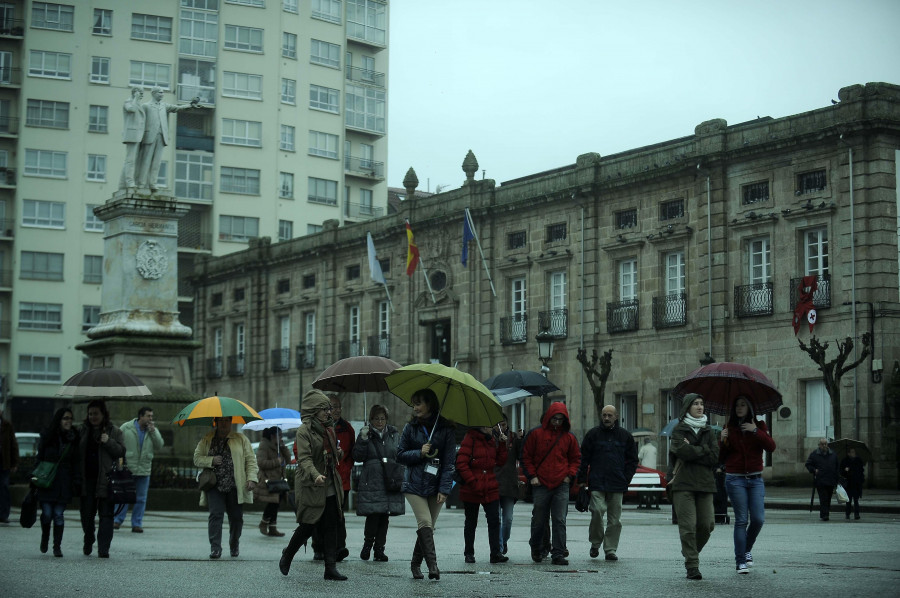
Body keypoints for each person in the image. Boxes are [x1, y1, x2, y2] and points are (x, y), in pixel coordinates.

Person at [278, 390, 347, 581]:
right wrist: (316, 475)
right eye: (324, 408)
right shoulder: (304, 431)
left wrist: (338, 453)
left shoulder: (329, 428)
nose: (328, 412)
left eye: (329, 408)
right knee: (309, 523)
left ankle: (330, 568)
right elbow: (305, 459)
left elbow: (332, 456)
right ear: (314, 411)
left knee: (332, 522)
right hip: (311, 481)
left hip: (329, 480)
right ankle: (288, 555)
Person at [395, 388, 456, 580]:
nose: (415, 407)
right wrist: (419, 453)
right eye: (413, 404)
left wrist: (444, 489)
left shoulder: (446, 429)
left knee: (427, 528)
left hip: (435, 485)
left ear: (429, 404)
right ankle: (433, 566)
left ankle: (415, 565)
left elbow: (449, 463)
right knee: (425, 523)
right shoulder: (410, 428)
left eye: (418, 403)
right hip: (413, 484)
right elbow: (399, 455)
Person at [719, 395, 776, 574]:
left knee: (758, 519)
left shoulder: (759, 426)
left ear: (750, 408)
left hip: (755, 478)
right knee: (741, 520)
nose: (739, 408)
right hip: (735, 479)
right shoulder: (729, 428)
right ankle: (740, 561)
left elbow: (771, 447)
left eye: (743, 405)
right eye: (737, 405)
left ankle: (747, 549)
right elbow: (721, 458)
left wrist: (755, 431)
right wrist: (722, 440)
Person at [522, 401, 581, 566]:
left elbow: (576, 458)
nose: (557, 422)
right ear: (549, 417)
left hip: (561, 483)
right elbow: (526, 456)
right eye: (555, 419)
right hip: (540, 482)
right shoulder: (536, 434)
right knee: (539, 519)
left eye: (560, 419)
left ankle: (558, 552)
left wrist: (569, 476)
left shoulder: (569, 437)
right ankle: (536, 546)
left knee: (559, 519)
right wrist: (532, 476)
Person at [576, 405, 637, 562]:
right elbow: (583, 459)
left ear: (616, 416)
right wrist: (582, 481)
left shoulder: (625, 436)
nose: (607, 418)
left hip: (617, 483)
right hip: (597, 482)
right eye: (604, 415)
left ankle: (610, 549)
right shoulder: (593, 435)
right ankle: (595, 543)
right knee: (597, 511)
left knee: (615, 520)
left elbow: (632, 460)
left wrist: (626, 478)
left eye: (610, 415)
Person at [668, 394, 719, 581]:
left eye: (702, 403)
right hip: (683, 483)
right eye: (695, 404)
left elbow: (714, 457)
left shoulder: (709, 431)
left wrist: (696, 450)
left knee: (707, 525)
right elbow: (681, 451)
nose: (700, 406)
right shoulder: (679, 429)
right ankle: (692, 565)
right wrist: (703, 450)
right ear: (687, 407)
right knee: (688, 527)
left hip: (705, 484)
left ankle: (690, 551)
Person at [193, 416, 258, 559]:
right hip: (214, 485)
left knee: (236, 518)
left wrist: (252, 478)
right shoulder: (207, 439)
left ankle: (234, 542)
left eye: (227, 420)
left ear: (231, 422)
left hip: (235, 485)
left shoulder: (241, 439)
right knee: (216, 515)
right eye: (221, 421)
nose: (224, 424)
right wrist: (211, 460)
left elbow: (251, 460)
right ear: (216, 422)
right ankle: (215, 548)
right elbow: (196, 458)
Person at [352, 404, 405, 562]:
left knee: (384, 516)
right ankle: (367, 545)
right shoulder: (366, 434)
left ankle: (379, 549)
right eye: (376, 418)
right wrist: (362, 439)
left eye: (382, 418)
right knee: (374, 514)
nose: (380, 421)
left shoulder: (394, 434)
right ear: (371, 419)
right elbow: (358, 456)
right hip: (373, 479)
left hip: (389, 478)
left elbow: (399, 453)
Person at [78, 399, 125, 558]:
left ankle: (103, 548)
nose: (93, 417)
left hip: (107, 480)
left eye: (96, 413)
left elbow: (121, 452)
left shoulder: (114, 431)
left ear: (103, 414)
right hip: (87, 480)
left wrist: (108, 441)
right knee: (87, 515)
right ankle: (88, 538)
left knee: (106, 516)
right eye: (90, 414)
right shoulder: (82, 430)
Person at [456, 424, 509, 564]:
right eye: (488, 426)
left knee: (494, 520)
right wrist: (473, 482)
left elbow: (500, 461)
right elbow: (461, 463)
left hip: (490, 486)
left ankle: (495, 553)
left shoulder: (492, 440)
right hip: (472, 488)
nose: (491, 428)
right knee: (471, 522)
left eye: (492, 426)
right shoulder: (470, 438)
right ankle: (469, 553)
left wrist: (503, 445)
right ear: (480, 426)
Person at [311, 395, 353, 561]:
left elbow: (352, 454)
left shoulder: (347, 428)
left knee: (338, 516)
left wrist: (346, 467)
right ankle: (318, 547)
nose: (336, 410)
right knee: (320, 516)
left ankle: (339, 548)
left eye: (338, 407)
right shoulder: (317, 427)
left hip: (342, 479)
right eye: (332, 407)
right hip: (323, 477)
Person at [136, 86, 201, 190]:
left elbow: (177, 108)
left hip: (161, 137)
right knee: (146, 161)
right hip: (149, 136)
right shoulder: (146, 106)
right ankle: (141, 183)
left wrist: (190, 105)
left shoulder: (164, 105)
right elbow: (140, 121)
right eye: (160, 93)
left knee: (157, 162)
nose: (162, 94)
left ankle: (152, 183)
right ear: (153, 93)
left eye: (162, 93)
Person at [36, 407, 80, 556]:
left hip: (64, 482)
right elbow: (39, 457)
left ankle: (57, 546)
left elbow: (76, 462)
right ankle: (45, 537)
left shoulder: (74, 437)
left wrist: (76, 481)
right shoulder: (48, 436)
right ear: (59, 420)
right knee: (47, 513)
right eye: (65, 418)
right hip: (47, 481)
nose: (68, 421)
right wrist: (35, 477)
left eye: (70, 418)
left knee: (58, 514)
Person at [115, 406, 163, 533]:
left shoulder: (152, 430)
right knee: (123, 496)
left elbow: (159, 445)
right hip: (128, 468)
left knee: (141, 498)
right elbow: (118, 446)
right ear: (141, 416)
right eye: (148, 416)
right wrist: (119, 465)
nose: (151, 419)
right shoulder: (127, 427)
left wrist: (153, 432)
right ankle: (117, 520)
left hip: (144, 469)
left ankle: (136, 523)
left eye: (152, 416)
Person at [253, 426, 291, 537]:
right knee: (272, 503)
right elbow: (261, 462)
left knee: (276, 503)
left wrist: (283, 447)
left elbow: (288, 460)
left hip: (279, 480)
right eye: (279, 435)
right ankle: (264, 523)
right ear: (272, 436)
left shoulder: (279, 446)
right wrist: (276, 462)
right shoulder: (264, 445)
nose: (281, 438)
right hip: (269, 480)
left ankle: (273, 527)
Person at [496, 416, 523, 556]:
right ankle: (499, 547)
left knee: (508, 518)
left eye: (504, 424)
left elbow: (521, 456)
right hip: (494, 482)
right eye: (499, 425)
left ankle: (503, 541)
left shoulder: (513, 437)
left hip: (509, 484)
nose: (502, 427)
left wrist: (521, 440)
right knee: (496, 519)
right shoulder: (491, 438)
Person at [806, 437, 839, 522]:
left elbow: (837, 467)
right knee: (823, 498)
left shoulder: (833, 454)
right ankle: (825, 514)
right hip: (821, 480)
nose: (824, 446)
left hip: (831, 480)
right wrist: (814, 470)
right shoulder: (814, 454)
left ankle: (824, 513)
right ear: (819, 445)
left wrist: (837, 479)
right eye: (822, 444)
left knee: (828, 498)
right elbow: (808, 464)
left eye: (825, 444)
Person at [119, 86, 145, 189]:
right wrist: (135, 98)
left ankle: (122, 184)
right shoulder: (128, 102)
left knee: (129, 160)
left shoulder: (139, 104)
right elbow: (132, 109)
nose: (142, 95)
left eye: (142, 93)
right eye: (140, 93)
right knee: (130, 160)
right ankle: (129, 182)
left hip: (138, 136)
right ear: (135, 92)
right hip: (131, 135)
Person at [0, 405, 18, 524]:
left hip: (3, 463)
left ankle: (3, 515)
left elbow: (13, 444)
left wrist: (14, 463)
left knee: (4, 488)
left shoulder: (7, 425)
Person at [840, 448, 865, 520]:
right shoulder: (845, 461)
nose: (854, 453)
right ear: (848, 453)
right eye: (852, 452)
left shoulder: (858, 460)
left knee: (856, 500)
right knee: (848, 500)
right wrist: (845, 470)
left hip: (856, 483)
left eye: (854, 452)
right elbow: (841, 471)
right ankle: (847, 513)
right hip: (848, 484)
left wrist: (861, 480)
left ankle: (856, 514)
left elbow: (861, 471)